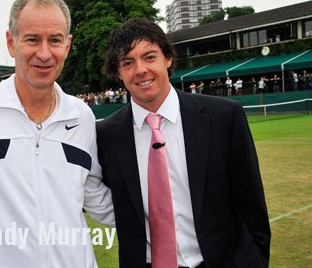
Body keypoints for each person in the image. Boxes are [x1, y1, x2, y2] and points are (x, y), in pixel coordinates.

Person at [0, 0, 115, 267]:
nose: (44, 53)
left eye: (55, 40)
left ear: (67, 45)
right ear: (11, 43)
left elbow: (94, 196)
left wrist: (159, 218)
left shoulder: (82, 116)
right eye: (32, 39)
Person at [97, 18, 270, 267]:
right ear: (118, 72)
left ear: (167, 58)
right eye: (127, 62)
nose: (140, 70)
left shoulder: (224, 117)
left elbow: (252, 204)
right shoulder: (106, 135)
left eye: (149, 57)